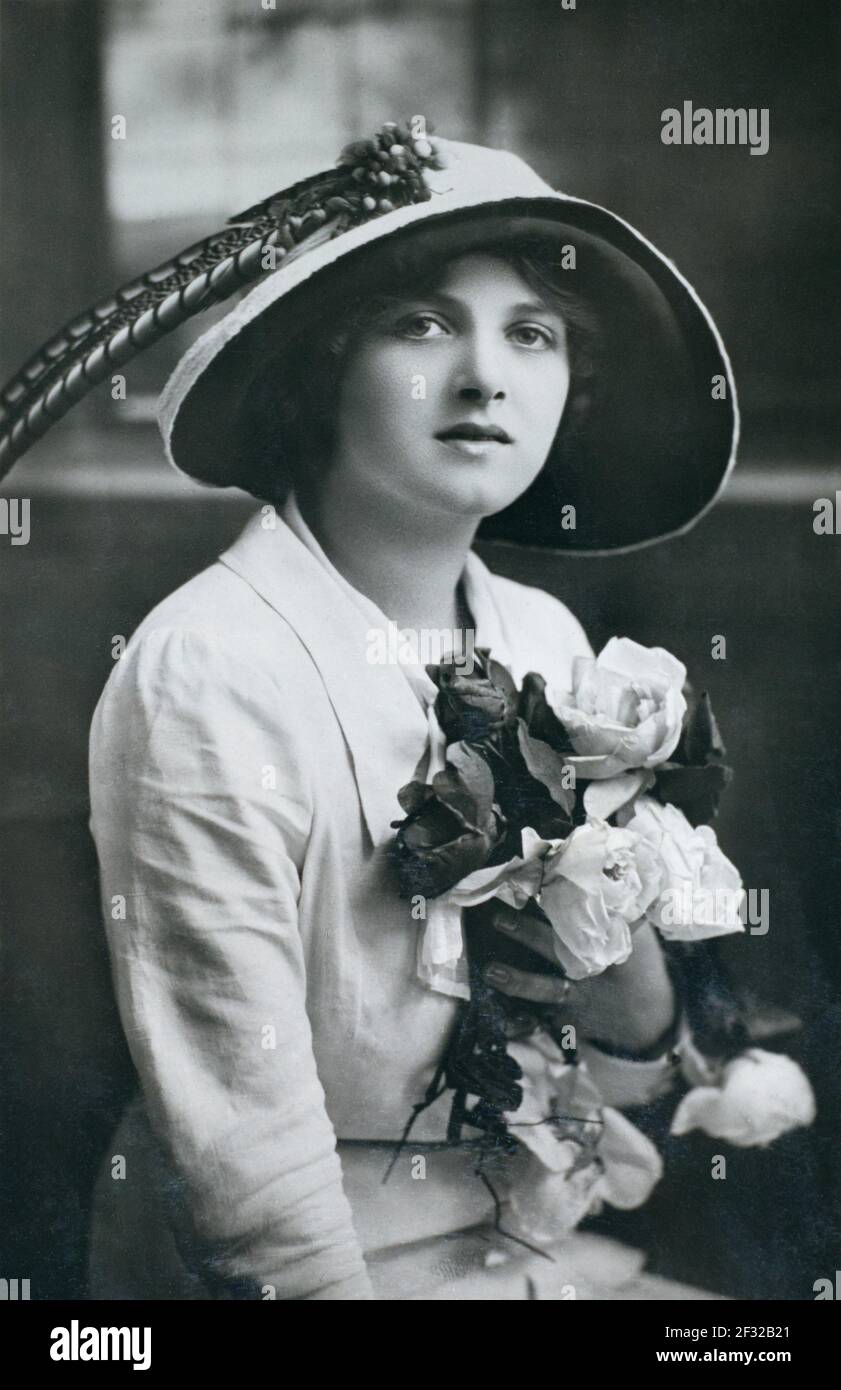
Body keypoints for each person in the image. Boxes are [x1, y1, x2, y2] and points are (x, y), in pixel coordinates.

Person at [85, 126, 738, 1300]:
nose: (486, 377)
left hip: (522, 1232)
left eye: (530, 334)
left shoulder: (545, 642)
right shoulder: (213, 666)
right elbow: (243, 1145)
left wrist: (619, 924)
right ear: (323, 364)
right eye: (422, 323)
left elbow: (619, 1057)